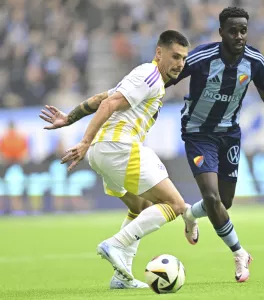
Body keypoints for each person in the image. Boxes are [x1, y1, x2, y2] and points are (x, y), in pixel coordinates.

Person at [165, 7, 264, 283]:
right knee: (213, 198)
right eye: (233, 31)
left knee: (224, 202)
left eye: (243, 31)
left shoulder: (255, 62)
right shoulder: (202, 57)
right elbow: (166, 79)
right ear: (221, 32)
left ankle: (190, 214)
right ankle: (239, 253)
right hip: (198, 133)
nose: (239, 36)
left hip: (230, 135)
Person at [40, 30, 194, 289]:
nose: (179, 63)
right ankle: (116, 243)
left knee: (140, 206)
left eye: (183, 58)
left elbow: (102, 97)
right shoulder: (150, 76)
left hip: (104, 151)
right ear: (159, 53)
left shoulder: (143, 75)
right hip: (117, 147)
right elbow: (108, 105)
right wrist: (84, 141)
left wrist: (69, 118)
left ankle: (121, 277)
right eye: (175, 56)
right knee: (176, 205)